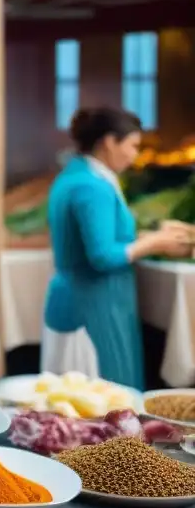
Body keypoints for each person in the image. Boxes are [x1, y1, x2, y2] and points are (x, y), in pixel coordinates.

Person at [43, 108, 192, 388]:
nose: (135, 155)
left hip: (75, 301)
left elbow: (97, 237)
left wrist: (152, 234)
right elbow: (102, 256)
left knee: (66, 413)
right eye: (133, 146)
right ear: (110, 142)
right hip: (93, 308)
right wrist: (154, 243)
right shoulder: (92, 186)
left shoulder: (73, 176)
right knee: (103, 410)